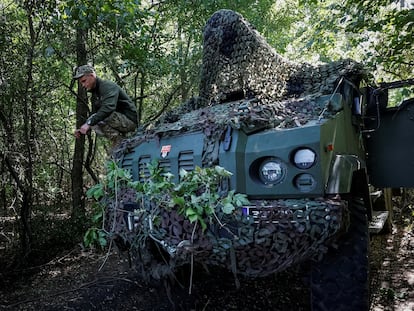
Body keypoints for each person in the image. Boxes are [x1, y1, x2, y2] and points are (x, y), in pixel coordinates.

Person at [73, 64, 138, 148]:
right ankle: (118, 140)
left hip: (129, 121)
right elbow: (96, 116)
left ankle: (120, 141)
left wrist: (88, 123)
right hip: (119, 120)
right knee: (94, 119)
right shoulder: (96, 92)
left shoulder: (107, 86)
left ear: (92, 76)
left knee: (98, 117)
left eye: (84, 81)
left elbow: (109, 108)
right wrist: (82, 129)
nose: (83, 85)